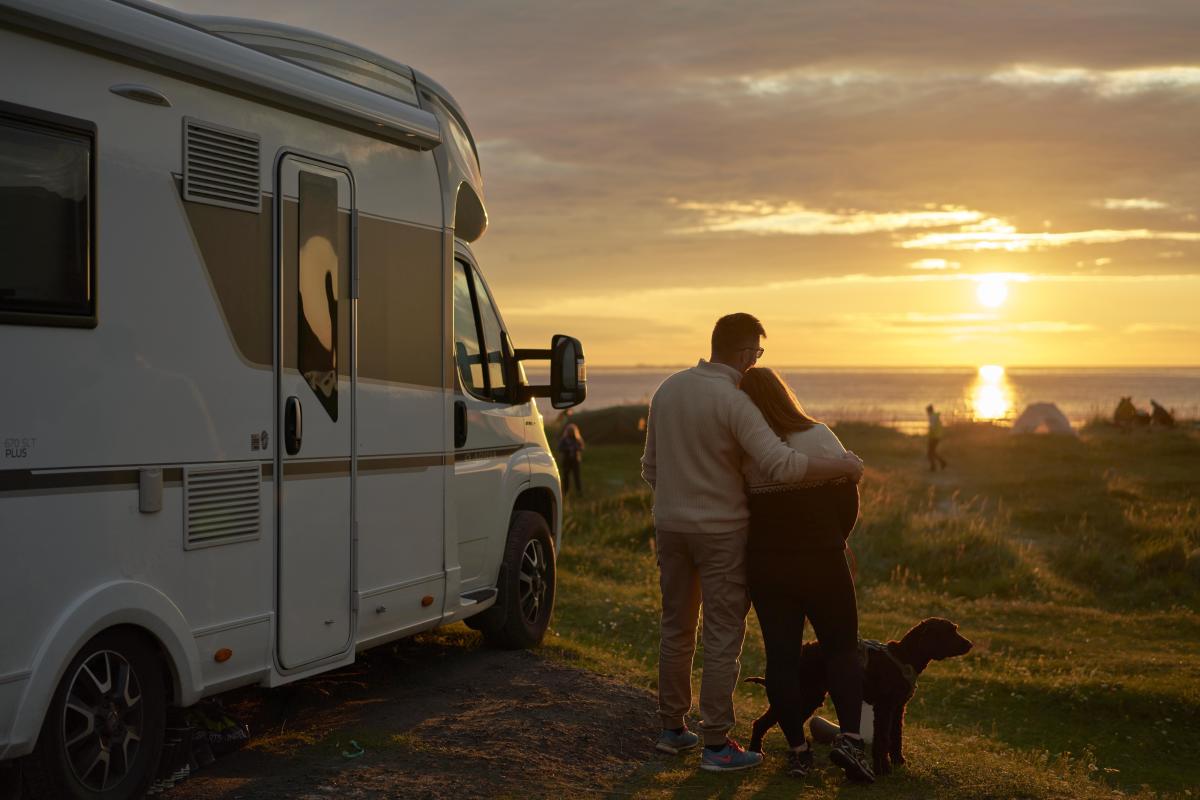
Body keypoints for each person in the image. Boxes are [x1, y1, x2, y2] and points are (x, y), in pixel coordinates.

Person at [641, 313, 864, 772]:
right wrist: (843, 467)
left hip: (670, 526)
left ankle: (671, 729)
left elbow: (651, 469)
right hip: (721, 531)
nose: (755, 363)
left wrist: (678, 502)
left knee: (676, 626)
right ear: (746, 354)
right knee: (723, 633)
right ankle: (717, 745)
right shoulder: (733, 400)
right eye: (757, 355)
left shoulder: (668, 389)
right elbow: (781, 465)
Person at [739, 367, 873, 783]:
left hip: (767, 566)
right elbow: (848, 505)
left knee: (781, 658)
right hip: (822, 561)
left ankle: (798, 751)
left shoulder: (745, 450)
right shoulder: (820, 436)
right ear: (785, 395)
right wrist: (834, 538)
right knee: (841, 650)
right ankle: (851, 739)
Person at [557, 422, 585, 494]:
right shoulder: (564, 440)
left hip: (575, 460)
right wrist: (568, 449)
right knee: (566, 476)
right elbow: (559, 448)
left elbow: (581, 447)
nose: (571, 433)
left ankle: (579, 491)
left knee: (577, 477)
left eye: (572, 431)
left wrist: (575, 448)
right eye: (570, 431)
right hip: (567, 460)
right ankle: (565, 491)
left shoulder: (577, 439)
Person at [925, 403, 947, 471]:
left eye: (927, 411)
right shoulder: (935, 416)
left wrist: (930, 437)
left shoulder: (932, 417)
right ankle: (942, 463)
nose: (927, 413)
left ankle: (934, 467)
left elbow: (933, 428)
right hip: (937, 436)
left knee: (930, 453)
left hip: (934, 437)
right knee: (932, 452)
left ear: (929, 411)